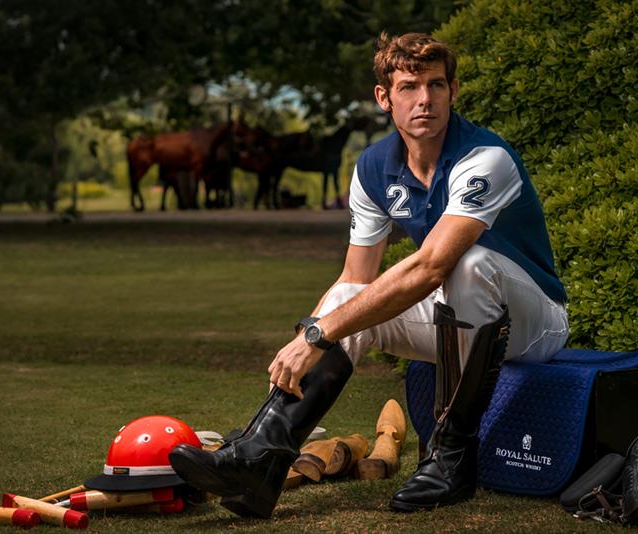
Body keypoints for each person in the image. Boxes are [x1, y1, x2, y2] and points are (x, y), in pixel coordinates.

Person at [169, 32, 569, 518]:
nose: (425, 99)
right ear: (384, 97)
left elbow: (431, 267)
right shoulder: (374, 166)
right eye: (409, 87)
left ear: (453, 91)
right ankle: (261, 459)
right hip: (459, 315)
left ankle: (451, 461)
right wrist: (302, 346)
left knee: (469, 262)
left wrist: (318, 334)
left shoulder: (485, 158)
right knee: (346, 298)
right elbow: (354, 278)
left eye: (437, 86)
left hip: (533, 323)